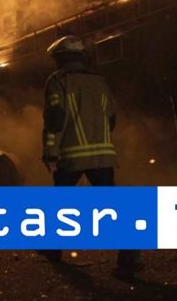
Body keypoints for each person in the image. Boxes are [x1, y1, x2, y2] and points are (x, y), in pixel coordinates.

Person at [41, 34, 143, 279]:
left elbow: (55, 119)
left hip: (71, 155)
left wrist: (51, 153)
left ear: (60, 58)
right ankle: (130, 257)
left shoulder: (57, 80)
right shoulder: (100, 81)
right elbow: (111, 118)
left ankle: (53, 249)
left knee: (59, 203)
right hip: (103, 155)